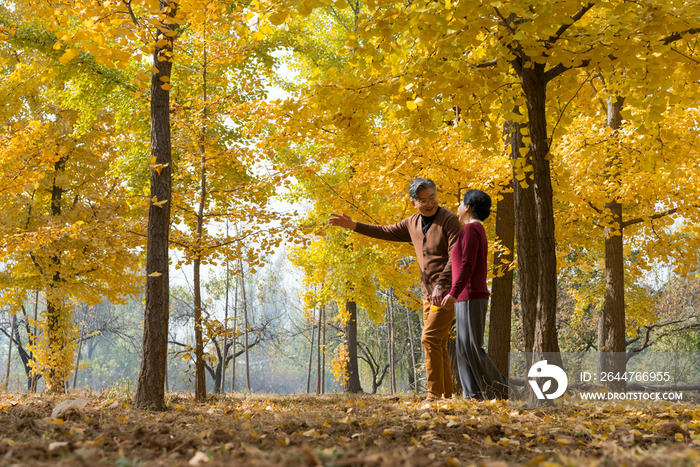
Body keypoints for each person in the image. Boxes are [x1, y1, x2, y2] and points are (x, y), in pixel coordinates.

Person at [329, 178, 462, 401]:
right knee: (437, 343)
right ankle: (446, 396)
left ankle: (433, 396)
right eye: (423, 200)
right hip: (428, 294)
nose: (430, 203)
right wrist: (353, 226)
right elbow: (385, 231)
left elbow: (455, 255)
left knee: (428, 339)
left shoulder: (449, 220)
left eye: (433, 198)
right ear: (413, 203)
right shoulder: (412, 223)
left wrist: (442, 285)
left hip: (446, 292)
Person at [441, 189, 508, 400]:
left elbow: (467, 264)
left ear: (468, 206)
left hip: (470, 294)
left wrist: (454, 292)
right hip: (464, 295)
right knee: (462, 348)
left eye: (461, 203)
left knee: (471, 346)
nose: (458, 208)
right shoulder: (471, 230)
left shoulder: (471, 230)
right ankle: (472, 396)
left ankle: (502, 389)